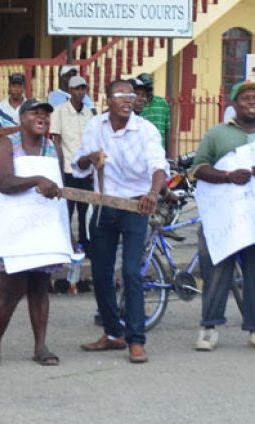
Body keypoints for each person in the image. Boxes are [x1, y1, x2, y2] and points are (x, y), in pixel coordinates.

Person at [74, 80, 168, 364]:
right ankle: (114, 333)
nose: (128, 100)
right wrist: (89, 158)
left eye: (132, 95)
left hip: (136, 205)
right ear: (108, 99)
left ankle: (136, 341)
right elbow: (77, 167)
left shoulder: (145, 130)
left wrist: (152, 193)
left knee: (131, 272)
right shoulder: (96, 127)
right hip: (105, 206)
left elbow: (158, 166)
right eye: (121, 95)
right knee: (101, 273)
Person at [0, 99, 65, 367]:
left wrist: (66, 231)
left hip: (43, 227)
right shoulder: (7, 145)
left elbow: (59, 190)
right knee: (11, 288)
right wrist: (37, 180)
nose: (42, 117)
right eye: (35, 113)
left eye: (46, 114)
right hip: (15, 229)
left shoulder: (52, 148)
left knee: (40, 286)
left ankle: (41, 345)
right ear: (22, 118)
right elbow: (4, 182)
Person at [191, 80, 255, 351]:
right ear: (233, 104)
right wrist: (228, 176)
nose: (252, 102)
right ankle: (209, 327)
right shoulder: (217, 134)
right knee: (216, 270)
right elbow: (199, 168)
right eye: (245, 98)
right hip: (223, 218)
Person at [50, 75, 94, 257]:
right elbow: (56, 140)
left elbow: (92, 141)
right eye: (76, 88)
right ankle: (65, 243)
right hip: (68, 167)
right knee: (67, 210)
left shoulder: (89, 113)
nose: (80, 92)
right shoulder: (59, 111)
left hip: (85, 169)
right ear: (70, 90)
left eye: (83, 88)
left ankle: (86, 244)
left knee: (85, 210)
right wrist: (59, 168)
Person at [133, 73, 171, 149]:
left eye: (150, 87)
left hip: (159, 149)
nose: (149, 90)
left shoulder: (162, 103)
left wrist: (168, 154)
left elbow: (167, 129)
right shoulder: (136, 107)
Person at [0, 73, 26, 140]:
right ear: (9, 87)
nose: (16, 89)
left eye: (19, 86)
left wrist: (5, 131)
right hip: (5, 148)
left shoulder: (29, 107)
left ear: (23, 88)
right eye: (14, 86)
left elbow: (32, 131)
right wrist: (20, 128)